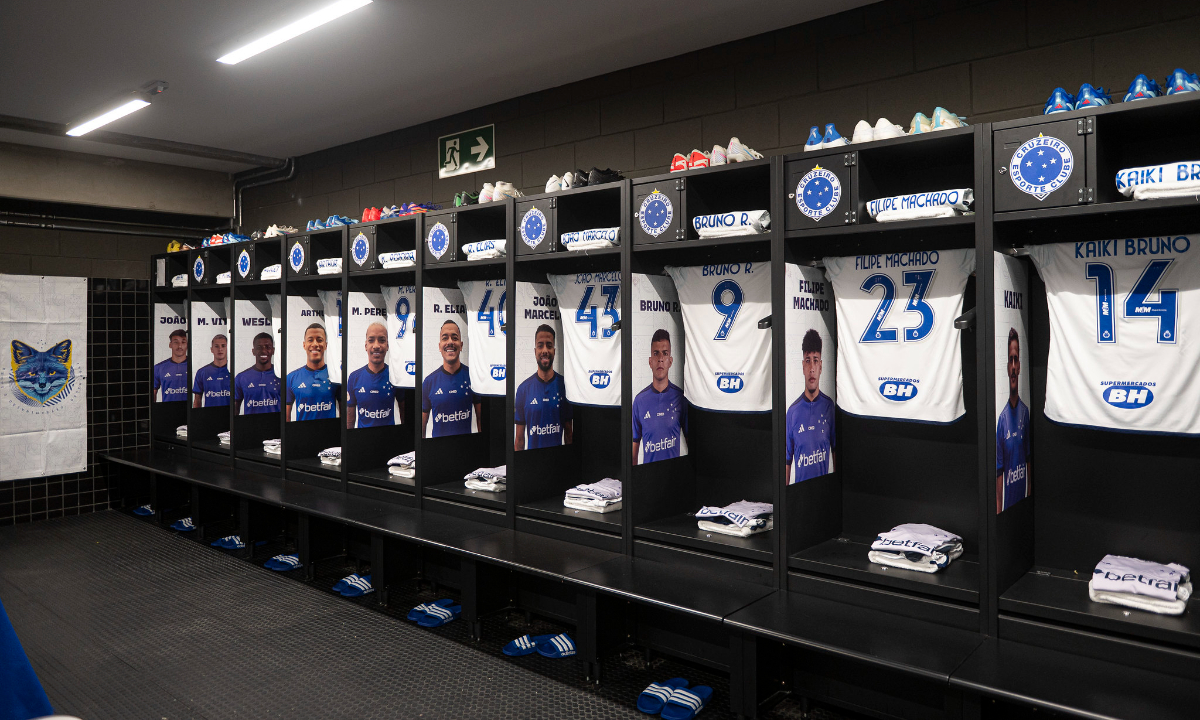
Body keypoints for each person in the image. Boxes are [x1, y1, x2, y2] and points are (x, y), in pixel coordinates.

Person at [785, 329, 835, 483]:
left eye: (815, 360)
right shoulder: (793, 412)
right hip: (799, 495)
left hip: (823, 493)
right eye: (808, 360)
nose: (812, 368)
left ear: (821, 366)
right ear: (802, 366)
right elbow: (787, 462)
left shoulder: (829, 407)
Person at [632, 329, 687, 465]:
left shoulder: (681, 398)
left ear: (670, 361)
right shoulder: (639, 401)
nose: (660, 359)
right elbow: (634, 447)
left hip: (672, 478)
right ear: (650, 361)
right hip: (648, 478)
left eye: (665, 353)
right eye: (656, 354)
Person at [514, 324, 573, 450]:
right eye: (540, 345)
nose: (545, 350)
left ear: (554, 351)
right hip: (532, 464)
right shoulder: (523, 390)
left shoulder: (565, 386)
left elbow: (569, 435)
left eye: (549, 345)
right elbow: (519, 440)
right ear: (535, 351)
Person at [421, 319, 480, 437]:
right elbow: (421, 429)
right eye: (445, 338)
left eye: (454, 338)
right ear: (439, 346)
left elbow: (481, 421)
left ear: (461, 345)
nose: (450, 342)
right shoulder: (429, 382)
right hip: (438, 451)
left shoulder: (473, 377)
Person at [997, 327, 1031, 512]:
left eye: (1015, 359)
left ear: (1019, 367)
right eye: (1009, 360)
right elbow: (998, 474)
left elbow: (1029, 461)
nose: (1012, 366)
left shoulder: (1025, 414)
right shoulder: (1001, 421)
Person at [346, 321, 400, 428]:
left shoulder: (395, 376)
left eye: (381, 340)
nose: (376, 346)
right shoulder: (354, 378)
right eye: (371, 341)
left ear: (387, 346)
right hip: (363, 442)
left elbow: (404, 416)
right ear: (366, 346)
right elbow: (349, 421)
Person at [285, 324, 340, 421]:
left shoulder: (335, 376)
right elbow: (285, 419)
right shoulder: (291, 378)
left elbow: (344, 415)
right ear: (304, 345)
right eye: (310, 340)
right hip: (303, 435)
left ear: (326, 345)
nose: (315, 344)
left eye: (319, 340)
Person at [234, 332, 280, 415]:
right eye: (259, 347)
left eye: (267, 347)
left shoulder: (281, 376)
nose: (263, 351)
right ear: (253, 351)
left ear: (273, 351)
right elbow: (235, 410)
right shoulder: (241, 378)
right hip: (250, 427)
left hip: (276, 427)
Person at [192, 334, 230, 408]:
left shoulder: (234, 371)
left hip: (229, 417)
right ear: (211, 349)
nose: (220, 349)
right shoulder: (202, 372)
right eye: (216, 346)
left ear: (227, 348)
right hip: (209, 417)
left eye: (223, 346)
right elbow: (197, 400)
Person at [153, 329, 188, 402]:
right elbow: (153, 394)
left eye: (183, 342)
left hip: (189, 412)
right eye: (176, 342)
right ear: (170, 345)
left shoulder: (195, 367)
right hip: (167, 411)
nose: (180, 346)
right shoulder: (158, 368)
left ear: (187, 345)